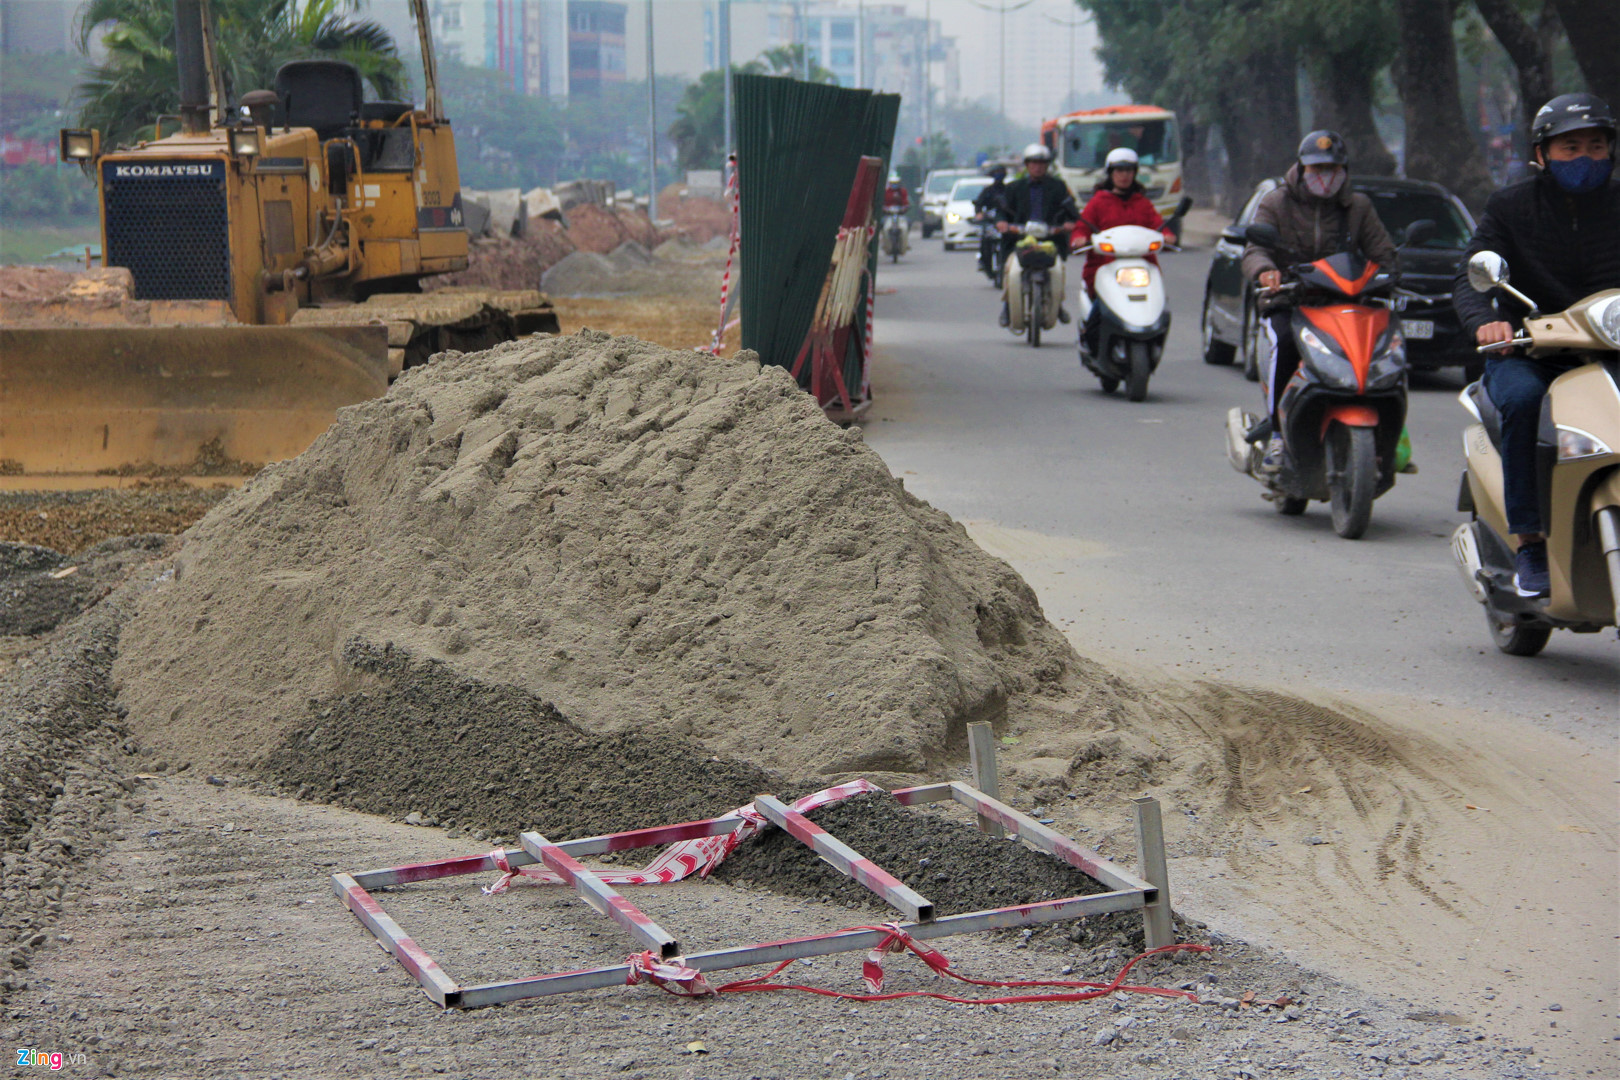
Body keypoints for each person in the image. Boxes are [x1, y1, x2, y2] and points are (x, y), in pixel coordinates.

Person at [1454, 92, 1620, 597]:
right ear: (1543, 154)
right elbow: (1470, 275)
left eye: (1597, 145)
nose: (1586, 158)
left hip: (1611, 352)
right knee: (1523, 402)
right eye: (1572, 147)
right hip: (1532, 352)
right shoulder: (1511, 206)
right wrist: (1488, 321)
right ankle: (1529, 542)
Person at [1241, 130, 1398, 470]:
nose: (1325, 177)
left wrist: (1391, 273)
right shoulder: (1276, 202)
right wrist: (1266, 272)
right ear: (1301, 168)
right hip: (1288, 302)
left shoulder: (1358, 207)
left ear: (1344, 171)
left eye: (1332, 169)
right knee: (1284, 343)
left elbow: (1383, 253)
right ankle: (1279, 436)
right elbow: (1255, 249)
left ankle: (1389, 436)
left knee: (1387, 347)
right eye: (1317, 169)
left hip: (1344, 304)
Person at [1073, 147, 1175, 356]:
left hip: (1141, 266)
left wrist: (1166, 234)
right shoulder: (1098, 203)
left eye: (1128, 170)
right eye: (1119, 170)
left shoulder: (1143, 203)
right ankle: (1089, 338)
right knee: (1099, 309)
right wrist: (1078, 238)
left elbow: (1157, 225)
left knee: (1160, 304)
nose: (1124, 175)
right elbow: (1081, 227)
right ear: (1110, 174)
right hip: (1104, 267)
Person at [996, 143, 1080, 328]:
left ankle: (1058, 304)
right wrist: (1002, 222)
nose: (1038, 166)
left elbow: (1071, 211)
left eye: (1042, 163)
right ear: (1026, 165)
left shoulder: (1058, 187)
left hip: (1051, 239)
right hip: (1019, 240)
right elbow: (1002, 211)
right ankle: (1008, 306)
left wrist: (1069, 223)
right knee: (1010, 270)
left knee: (1058, 270)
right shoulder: (1013, 188)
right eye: (1033, 163)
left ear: (1048, 165)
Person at [973, 165, 1010, 277]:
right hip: (990, 223)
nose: (999, 175)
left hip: (1005, 223)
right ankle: (984, 262)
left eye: (1001, 172)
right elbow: (978, 204)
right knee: (985, 242)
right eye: (997, 172)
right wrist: (979, 213)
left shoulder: (1008, 190)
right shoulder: (988, 191)